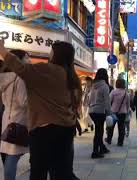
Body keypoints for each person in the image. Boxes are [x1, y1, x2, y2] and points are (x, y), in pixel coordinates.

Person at [0, 40, 82, 180]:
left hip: (44, 130)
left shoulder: (46, 70)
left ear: (55, 54)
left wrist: (2, 49)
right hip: (67, 129)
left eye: (51, 51)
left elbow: (20, 68)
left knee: (39, 170)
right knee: (62, 171)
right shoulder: (72, 76)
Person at [0, 50, 29, 180]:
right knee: (13, 155)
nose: (29, 61)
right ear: (19, 60)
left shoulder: (4, 76)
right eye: (26, 58)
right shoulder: (20, 77)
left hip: (7, 118)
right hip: (19, 120)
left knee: (8, 153)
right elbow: (23, 102)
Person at [88, 68, 111, 158]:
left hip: (92, 111)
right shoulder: (104, 86)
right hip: (100, 111)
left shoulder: (93, 85)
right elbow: (107, 101)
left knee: (98, 130)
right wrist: (109, 112)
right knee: (99, 132)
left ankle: (102, 148)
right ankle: (95, 152)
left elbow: (89, 99)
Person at [107, 78, 130, 146]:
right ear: (124, 84)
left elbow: (109, 101)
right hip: (122, 113)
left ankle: (109, 139)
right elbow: (128, 105)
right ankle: (120, 142)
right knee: (121, 127)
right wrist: (127, 112)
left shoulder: (113, 92)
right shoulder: (126, 93)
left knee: (111, 127)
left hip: (113, 112)